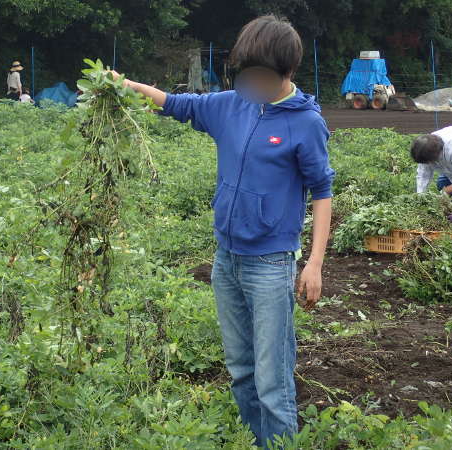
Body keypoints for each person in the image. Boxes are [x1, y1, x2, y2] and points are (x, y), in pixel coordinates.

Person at [111, 15, 334, 448]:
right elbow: (175, 104)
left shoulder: (305, 123)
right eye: (245, 74)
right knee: (241, 369)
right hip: (226, 259)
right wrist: (125, 85)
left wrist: (314, 263)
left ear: (286, 72)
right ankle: (256, 440)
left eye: (261, 75)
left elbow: (322, 190)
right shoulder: (232, 104)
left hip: (270, 263)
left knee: (272, 379)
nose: (251, 83)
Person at [412, 126, 452, 227]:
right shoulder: (424, 149)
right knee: (442, 184)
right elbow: (423, 175)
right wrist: (420, 198)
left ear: (437, 156)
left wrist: (448, 190)